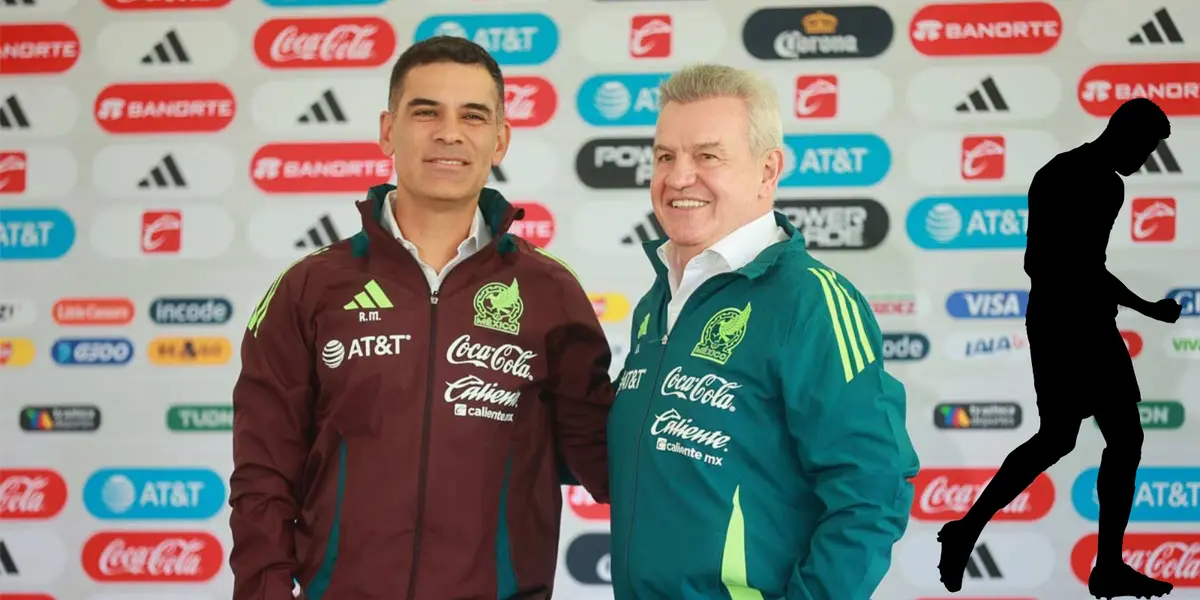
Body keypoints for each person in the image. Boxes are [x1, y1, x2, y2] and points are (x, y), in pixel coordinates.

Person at [228, 36, 613, 600]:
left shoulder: (550, 293)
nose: (449, 133)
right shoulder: (309, 288)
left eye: (473, 116)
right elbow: (262, 476)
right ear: (388, 130)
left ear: (500, 140)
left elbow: (615, 466)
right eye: (426, 111)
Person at [605, 63, 921, 600]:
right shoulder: (658, 301)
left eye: (708, 156)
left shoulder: (811, 300)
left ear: (768, 170)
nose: (679, 177)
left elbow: (872, 493)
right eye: (665, 156)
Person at [936, 98, 1181, 600]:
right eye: (1147, 148)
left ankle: (970, 529)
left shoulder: (1066, 170)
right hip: (1075, 325)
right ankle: (1104, 565)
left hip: (1060, 320)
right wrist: (1145, 308)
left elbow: (1056, 263)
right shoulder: (1096, 181)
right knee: (1112, 439)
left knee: (1063, 438)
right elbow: (1067, 265)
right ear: (1124, 134)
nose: (1147, 159)